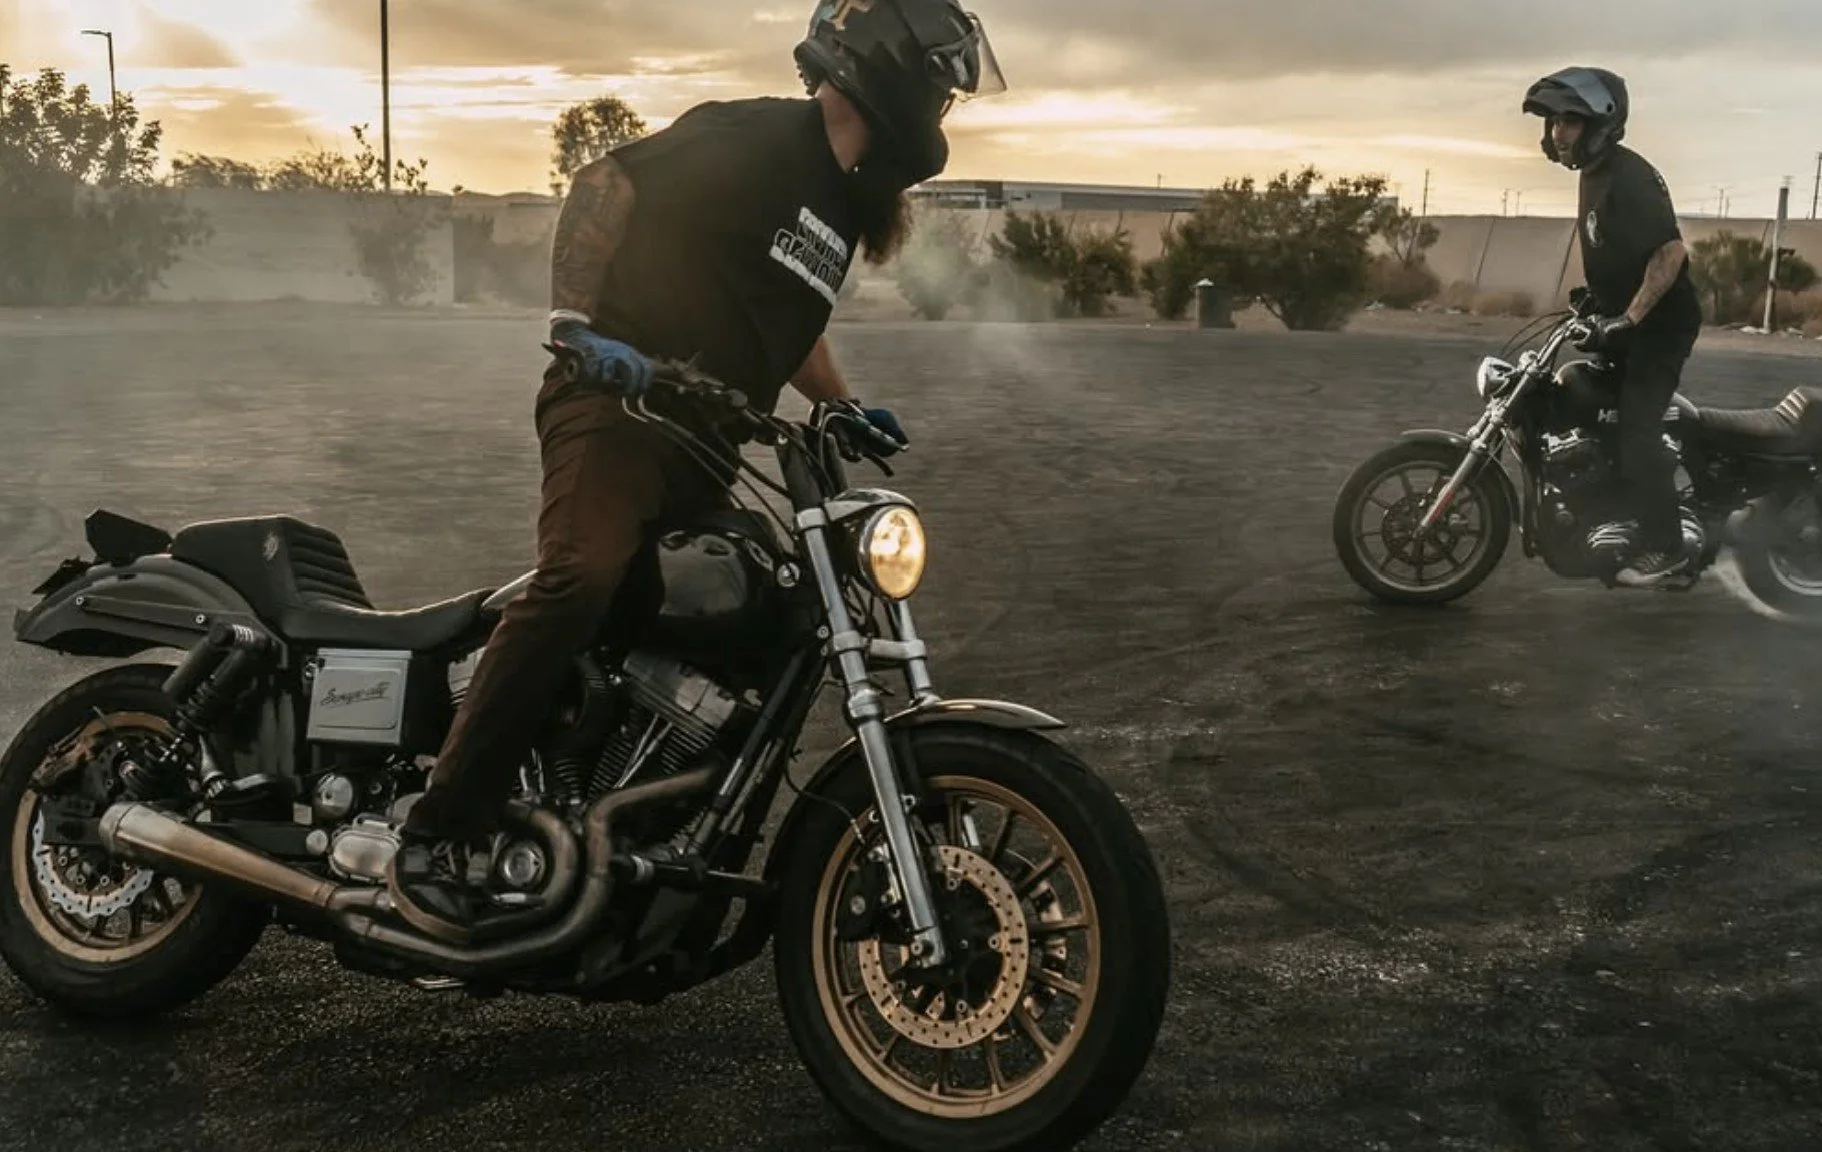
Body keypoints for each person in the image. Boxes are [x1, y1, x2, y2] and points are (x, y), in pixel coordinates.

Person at [385, 0, 1007, 943]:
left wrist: (838, 405)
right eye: (939, 85)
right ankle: (439, 827)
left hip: (704, 441)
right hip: (616, 410)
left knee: (743, 611)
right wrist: (575, 327)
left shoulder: (843, 200)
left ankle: (624, 821)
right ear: (888, 68)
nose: (942, 108)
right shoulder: (756, 138)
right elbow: (604, 182)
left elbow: (787, 319)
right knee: (581, 576)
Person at [1523, 66, 1706, 588]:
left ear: (1599, 124)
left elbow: (1669, 253)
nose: (1558, 132)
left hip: (1660, 330)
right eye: (1554, 122)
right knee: (1593, 408)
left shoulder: (1631, 176)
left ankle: (1668, 548)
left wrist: (1628, 318)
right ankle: (1613, 511)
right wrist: (1595, 302)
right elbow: (1618, 252)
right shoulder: (1594, 174)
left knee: (1637, 430)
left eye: (1569, 121)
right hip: (1626, 323)